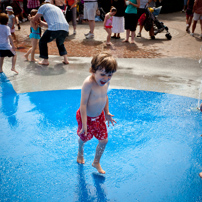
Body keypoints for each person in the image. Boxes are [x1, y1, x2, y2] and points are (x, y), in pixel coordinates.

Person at [76, 52, 117, 174]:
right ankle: (80, 151)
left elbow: (105, 97)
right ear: (93, 71)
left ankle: (96, 162)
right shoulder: (89, 83)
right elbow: (83, 105)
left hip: (99, 117)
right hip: (86, 118)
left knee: (104, 141)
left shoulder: (106, 81)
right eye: (103, 74)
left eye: (109, 75)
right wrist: (84, 125)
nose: (106, 78)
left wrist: (107, 112)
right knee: (84, 138)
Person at [30, 0, 69, 65]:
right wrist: (41, 22)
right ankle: (66, 59)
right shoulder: (57, 8)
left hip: (55, 28)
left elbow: (35, 18)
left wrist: (31, 18)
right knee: (60, 43)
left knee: (42, 41)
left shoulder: (43, 7)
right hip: (65, 28)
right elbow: (49, 25)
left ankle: (45, 60)